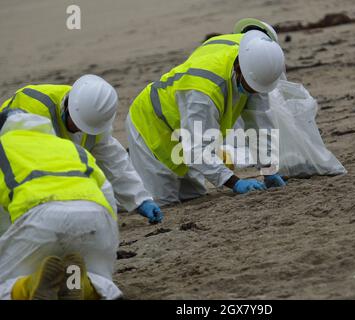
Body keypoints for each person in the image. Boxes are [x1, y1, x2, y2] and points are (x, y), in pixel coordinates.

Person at [126, 30, 287, 206]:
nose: (255, 94)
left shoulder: (254, 56)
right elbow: (196, 150)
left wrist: (268, 167)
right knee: (164, 202)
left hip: (185, 124)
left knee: (193, 196)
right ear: (239, 69)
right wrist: (235, 182)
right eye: (251, 88)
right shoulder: (202, 93)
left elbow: (260, 120)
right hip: (152, 126)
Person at [0, 74, 162, 223]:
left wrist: (140, 199)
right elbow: (16, 160)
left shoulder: (95, 118)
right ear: (69, 108)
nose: (80, 130)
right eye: (77, 125)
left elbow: (113, 161)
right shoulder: (33, 105)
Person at [0, 109, 122, 300]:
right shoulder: (71, 147)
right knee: (100, 278)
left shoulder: (3, 148)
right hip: (95, 218)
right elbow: (107, 193)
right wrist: (108, 242)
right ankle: (81, 284)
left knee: (7, 282)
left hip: (39, 220)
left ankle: (27, 286)